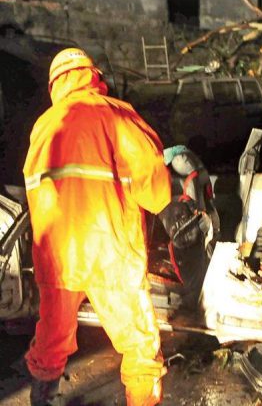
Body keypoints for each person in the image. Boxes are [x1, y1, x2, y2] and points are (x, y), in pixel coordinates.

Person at [23, 48, 199, 405]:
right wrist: (166, 208)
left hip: (58, 258)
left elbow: (35, 191)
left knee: (51, 339)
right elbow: (146, 165)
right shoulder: (112, 113)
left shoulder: (43, 126)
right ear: (93, 75)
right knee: (139, 344)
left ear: (55, 84)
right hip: (110, 252)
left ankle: (41, 398)